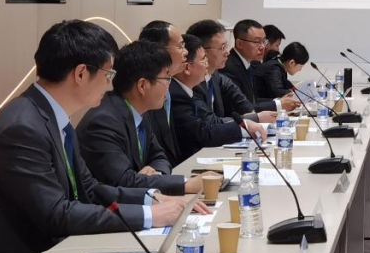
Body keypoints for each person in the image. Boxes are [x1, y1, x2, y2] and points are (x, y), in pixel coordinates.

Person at [0, 21, 202, 253]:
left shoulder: (52, 118)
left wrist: (152, 198)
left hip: (58, 252)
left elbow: (89, 188)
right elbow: (56, 213)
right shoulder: (21, 129)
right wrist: (150, 215)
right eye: (108, 74)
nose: (110, 84)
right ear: (81, 73)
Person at [77, 41, 204, 196]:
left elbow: (159, 156)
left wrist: (156, 173)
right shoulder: (103, 122)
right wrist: (185, 184)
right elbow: (123, 181)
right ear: (142, 85)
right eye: (167, 78)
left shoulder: (139, 111)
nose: (169, 86)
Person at [170, 34, 264, 161]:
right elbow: (202, 133)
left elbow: (212, 122)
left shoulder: (190, 89)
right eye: (203, 59)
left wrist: (247, 123)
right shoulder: (176, 94)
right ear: (187, 67)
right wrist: (243, 128)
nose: (207, 64)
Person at [187, 19, 291, 122]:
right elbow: (212, 121)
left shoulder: (216, 75)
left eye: (264, 41)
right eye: (222, 47)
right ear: (201, 51)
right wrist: (259, 116)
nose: (227, 52)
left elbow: (242, 102)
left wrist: (263, 112)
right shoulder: (194, 81)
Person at [137, 20, 186, 166]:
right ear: (159, 51)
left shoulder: (168, 89)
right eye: (180, 46)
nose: (186, 52)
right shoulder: (145, 94)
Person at [221, 18, 297, 113]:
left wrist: (279, 101)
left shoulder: (249, 63)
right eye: (257, 42)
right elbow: (239, 107)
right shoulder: (229, 66)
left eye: (264, 41)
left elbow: (251, 100)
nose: (262, 47)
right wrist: (278, 104)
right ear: (239, 43)